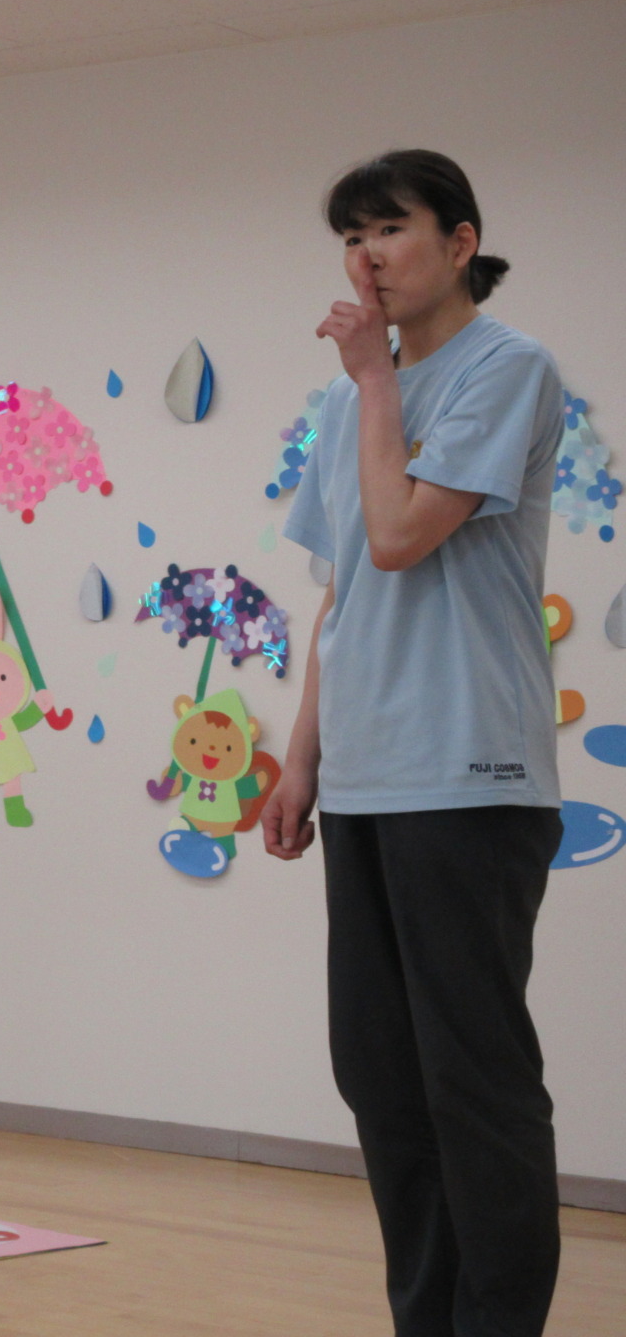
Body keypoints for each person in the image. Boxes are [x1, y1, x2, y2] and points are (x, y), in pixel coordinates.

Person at [264, 151, 565, 1336]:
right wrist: (302, 760)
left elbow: (399, 534)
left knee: (472, 1080)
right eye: (352, 238)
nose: (368, 257)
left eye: (389, 230)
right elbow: (345, 588)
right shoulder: (347, 403)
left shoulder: (507, 367)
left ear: (460, 241)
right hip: (367, 778)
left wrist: (375, 380)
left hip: (472, 773)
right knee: (381, 1080)